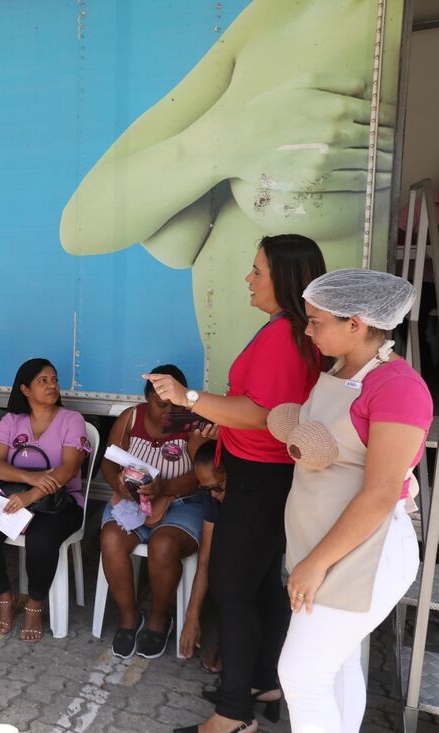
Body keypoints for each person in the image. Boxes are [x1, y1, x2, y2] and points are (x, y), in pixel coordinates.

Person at [60, 0, 400, 391]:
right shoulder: (272, 15)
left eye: (258, 270)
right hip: (235, 410)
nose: (249, 278)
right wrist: (223, 142)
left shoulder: (383, 24)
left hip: (312, 416)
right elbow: (82, 225)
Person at [146, 235, 326, 733]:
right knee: (262, 585)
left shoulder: (284, 334)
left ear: (285, 280)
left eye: (258, 271)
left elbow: (261, 412)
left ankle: (233, 715)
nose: (248, 279)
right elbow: (263, 411)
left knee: (232, 587)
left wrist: (190, 397)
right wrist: (220, 422)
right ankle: (261, 682)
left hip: (259, 480)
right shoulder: (290, 333)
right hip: (267, 474)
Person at [274, 270, 428, 731]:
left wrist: (316, 562)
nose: (308, 330)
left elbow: (381, 494)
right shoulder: (340, 371)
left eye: (316, 321)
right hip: (328, 545)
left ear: (356, 324)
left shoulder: (398, 388)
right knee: (335, 667)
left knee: (300, 677)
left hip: (364, 552)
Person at [0, 358, 91, 643]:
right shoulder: (13, 421)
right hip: (14, 495)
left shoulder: (72, 420)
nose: (52, 386)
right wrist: (30, 478)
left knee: (41, 541)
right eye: (43, 381)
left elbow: (68, 469)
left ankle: (36, 603)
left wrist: (32, 495)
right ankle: (4, 597)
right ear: (25, 389)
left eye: (54, 379)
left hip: (60, 501)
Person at [99, 365, 209, 660]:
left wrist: (164, 487)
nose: (168, 410)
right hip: (133, 501)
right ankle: (128, 618)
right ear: (147, 399)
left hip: (182, 503)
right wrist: (119, 486)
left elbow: (202, 473)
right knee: (111, 539)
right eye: (161, 404)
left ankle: (160, 619)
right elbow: (108, 463)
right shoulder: (131, 418)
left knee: (163, 546)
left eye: (175, 402)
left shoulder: (190, 421)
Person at [180, 441, 226, 678]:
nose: (214, 495)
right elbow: (205, 558)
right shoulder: (212, 497)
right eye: (205, 489)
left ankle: (226, 642)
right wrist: (191, 616)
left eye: (218, 487)